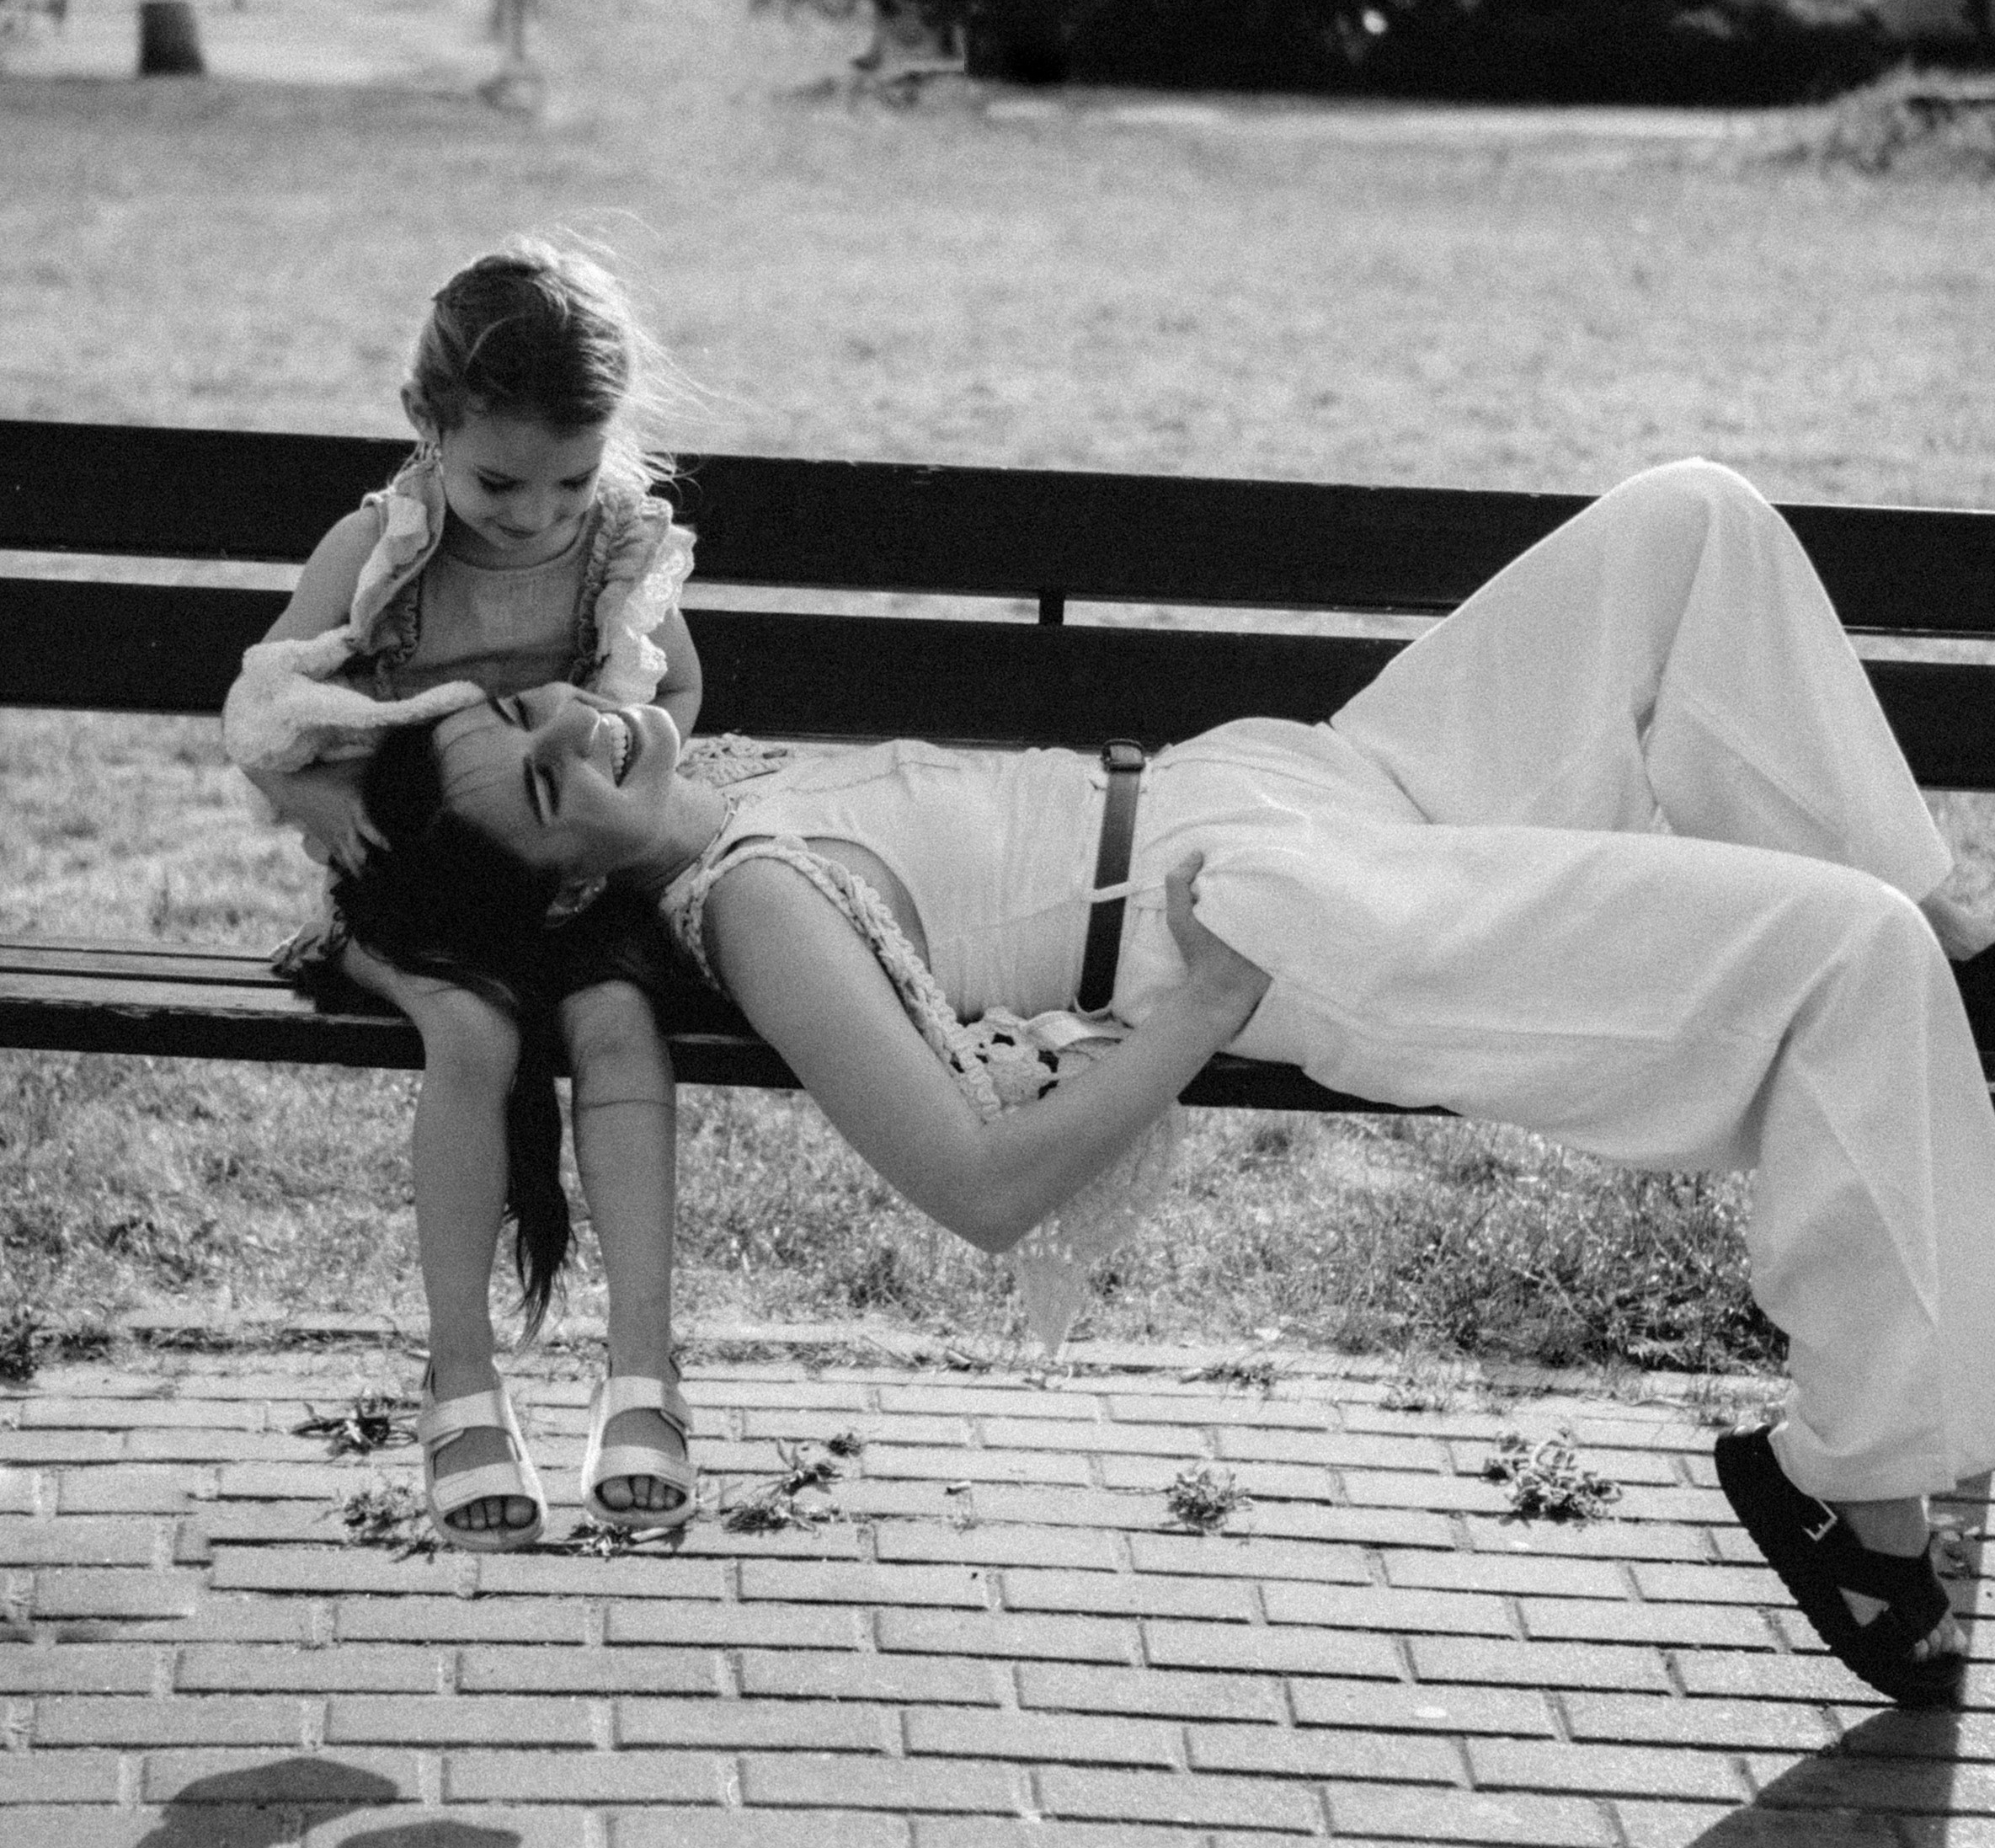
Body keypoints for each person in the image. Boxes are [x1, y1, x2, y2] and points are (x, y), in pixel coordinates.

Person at [352, 460, 1995, 1707]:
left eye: (531, 708)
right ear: (574, 886)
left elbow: (562, 533)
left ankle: (1962, 955)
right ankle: (1853, 1484)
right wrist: (1211, 991)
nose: (573, 735)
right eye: (547, 788)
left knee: (1693, 524)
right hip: (1279, 908)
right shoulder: (758, 901)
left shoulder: (719, 765)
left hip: (1308, 772)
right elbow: (979, 1186)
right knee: (1841, 957)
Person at [222, 242, 699, 1548]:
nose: (536, 515)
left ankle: (644, 1372)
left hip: (563, 871)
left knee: (621, 1024)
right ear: (425, 424)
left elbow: (674, 685)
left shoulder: (615, 547)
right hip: (413, 879)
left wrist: (622, 757)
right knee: (474, 1030)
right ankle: (461, 1377)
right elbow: (263, 710)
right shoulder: (377, 548)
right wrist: (324, 805)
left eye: (569, 480)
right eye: (499, 481)